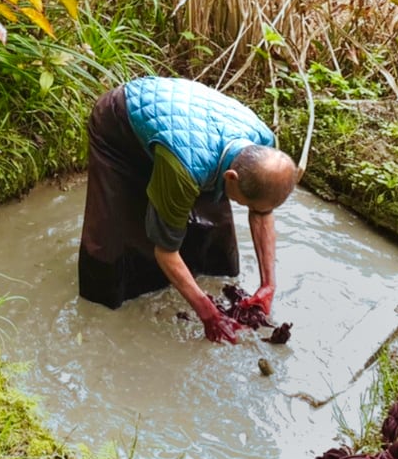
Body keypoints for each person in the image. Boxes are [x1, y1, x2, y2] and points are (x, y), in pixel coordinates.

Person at [77, 75, 299, 342]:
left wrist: (268, 284)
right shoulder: (186, 169)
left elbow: (263, 212)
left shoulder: (264, 145)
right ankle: (109, 296)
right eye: (248, 205)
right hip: (121, 124)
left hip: (187, 130)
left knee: (212, 226)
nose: (252, 210)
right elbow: (165, 250)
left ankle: (195, 274)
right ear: (231, 177)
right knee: (123, 230)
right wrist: (209, 314)